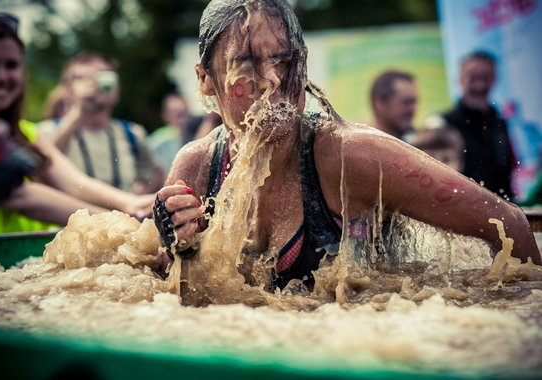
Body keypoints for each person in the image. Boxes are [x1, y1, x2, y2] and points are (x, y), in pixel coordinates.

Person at [153, 0, 540, 290]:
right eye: (247, 64)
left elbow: (506, 224)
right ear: (205, 80)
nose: (273, 79)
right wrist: (180, 250)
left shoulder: (351, 154)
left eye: (286, 62)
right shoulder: (198, 166)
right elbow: (162, 289)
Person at [0, 13, 154, 235]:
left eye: (11, 65)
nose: (1, 76)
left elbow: (76, 183)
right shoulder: (43, 129)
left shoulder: (26, 131)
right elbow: (20, 195)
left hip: (21, 258)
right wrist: (116, 222)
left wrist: (134, 204)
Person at [38, 52, 164, 194]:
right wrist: (78, 113)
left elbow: (156, 174)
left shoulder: (132, 133)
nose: (93, 85)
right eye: (80, 78)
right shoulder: (45, 132)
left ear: (116, 90)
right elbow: (39, 169)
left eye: (102, 76)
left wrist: (137, 199)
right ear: (66, 92)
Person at [441, 51, 515, 200]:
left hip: (502, 210)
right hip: (461, 211)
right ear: (460, 79)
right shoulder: (444, 123)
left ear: (494, 79)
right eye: (473, 78)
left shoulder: (499, 122)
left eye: (485, 78)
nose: (480, 85)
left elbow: (507, 170)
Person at [146, 93, 194, 172]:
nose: (183, 119)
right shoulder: (159, 140)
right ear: (165, 116)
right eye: (177, 113)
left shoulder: (195, 133)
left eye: (184, 112)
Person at [369, 70, 418, 140]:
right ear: (379, 103)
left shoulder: (417, 141)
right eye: (406, 102)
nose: (412, 109)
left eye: (414, 102)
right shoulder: (363, 146)